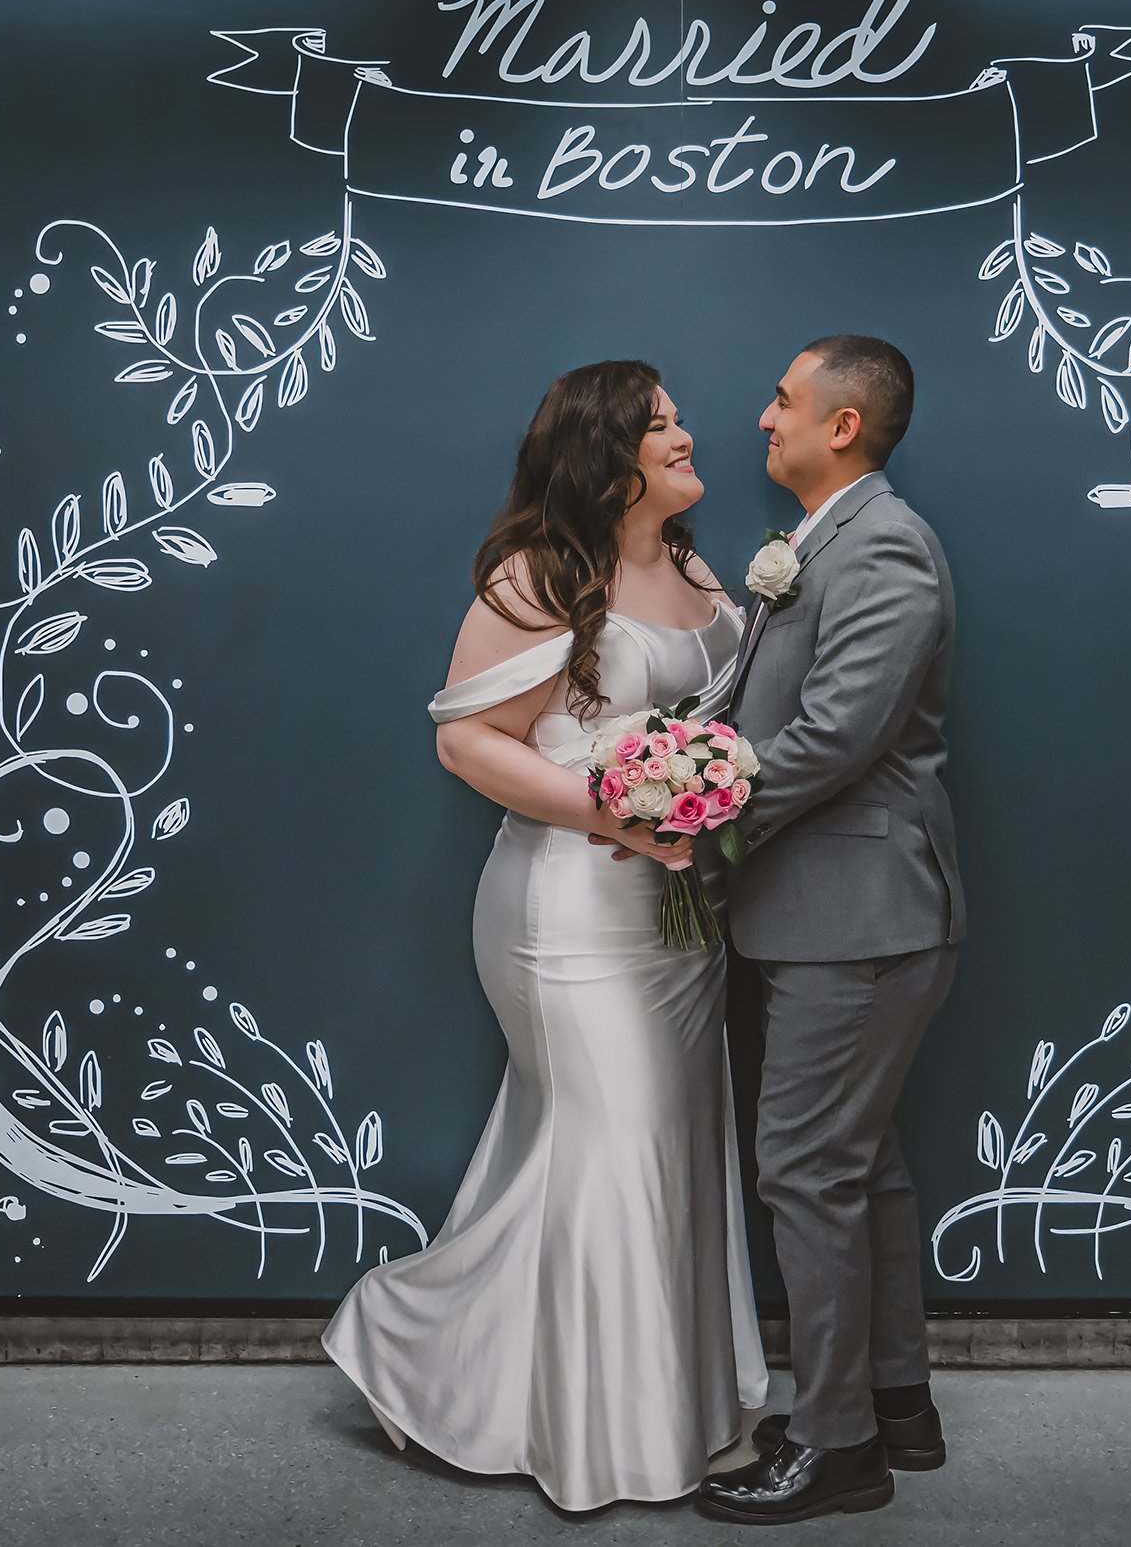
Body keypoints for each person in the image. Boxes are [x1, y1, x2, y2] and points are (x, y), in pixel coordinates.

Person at [319, 360, 769, 1512]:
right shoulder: (536, 577)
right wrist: (617, 808)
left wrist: (696, 799)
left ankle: (660, 1404)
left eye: (676, 419)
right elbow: (467, 743)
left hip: (679, 918)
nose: (687, 434)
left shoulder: (690, 564)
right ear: (608, 450)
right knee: (615, 1149)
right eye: (662, 423)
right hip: (567, 908)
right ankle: (562, 1414)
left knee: (657, 1150)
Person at [622, 335, 966, 1525]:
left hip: (857, 912)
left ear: (841, 428)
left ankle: (838, 1448)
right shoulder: (814, 543)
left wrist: (690, 814)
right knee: (859, 1164)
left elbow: (832, 736)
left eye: (782, 401)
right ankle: (894, 1401)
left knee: (808, 1169)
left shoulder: (885, 549)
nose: (759, 418)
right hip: (826, 912)